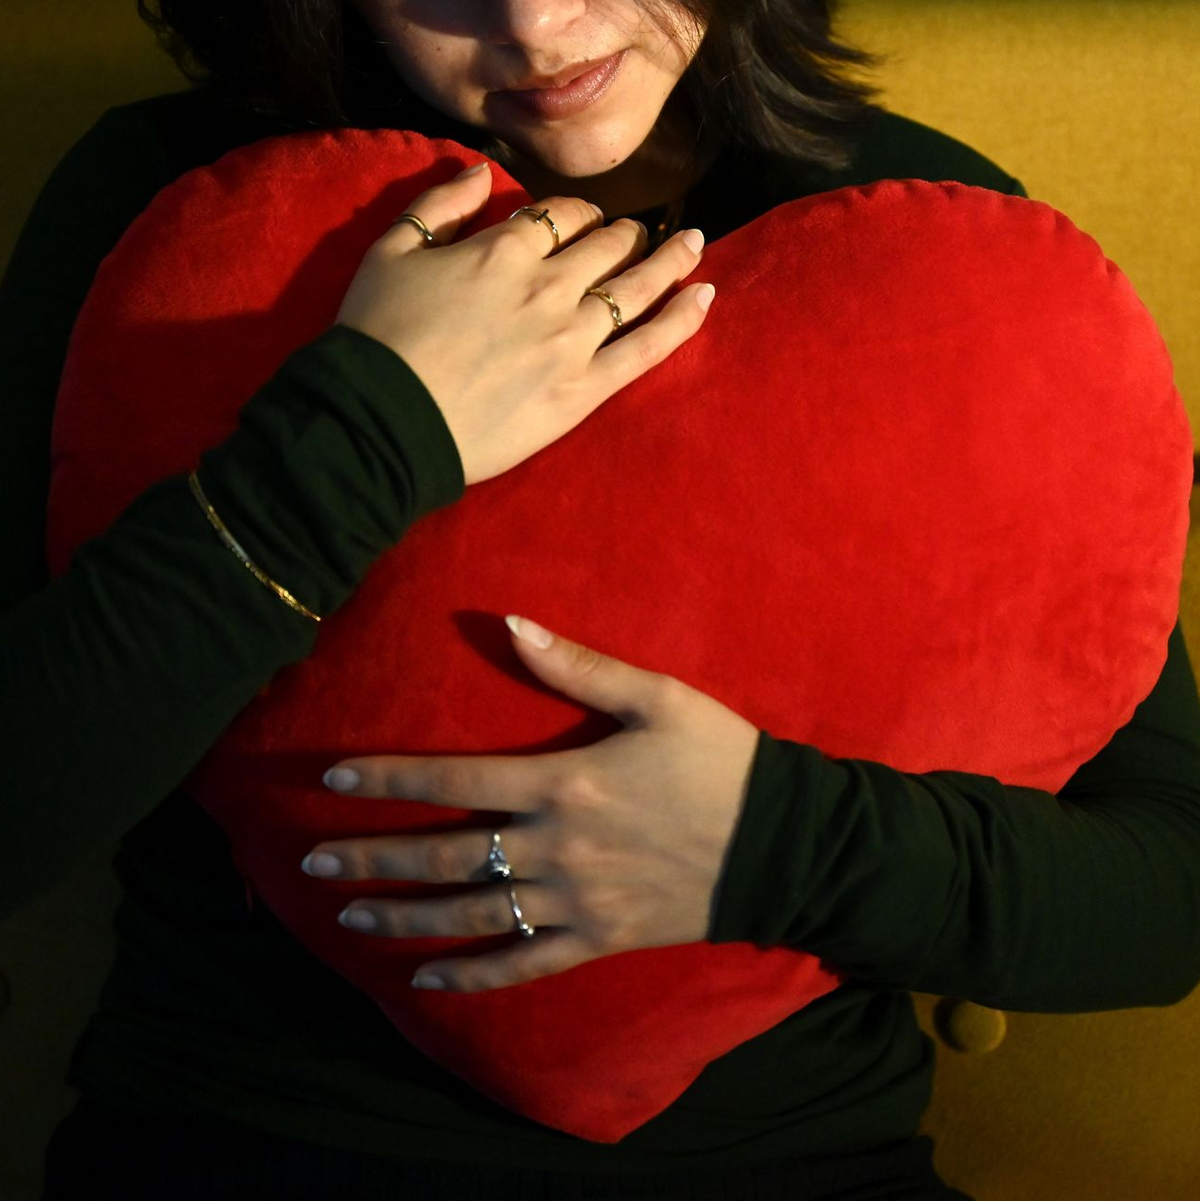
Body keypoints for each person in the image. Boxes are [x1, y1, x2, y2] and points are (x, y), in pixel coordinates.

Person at [3, 0, 1198, 1197]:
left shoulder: (949, 248)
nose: (534, 21)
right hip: (254, 1149)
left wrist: (775, 843)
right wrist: (369, 432)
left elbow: (1167, 886)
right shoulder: (184, 208)